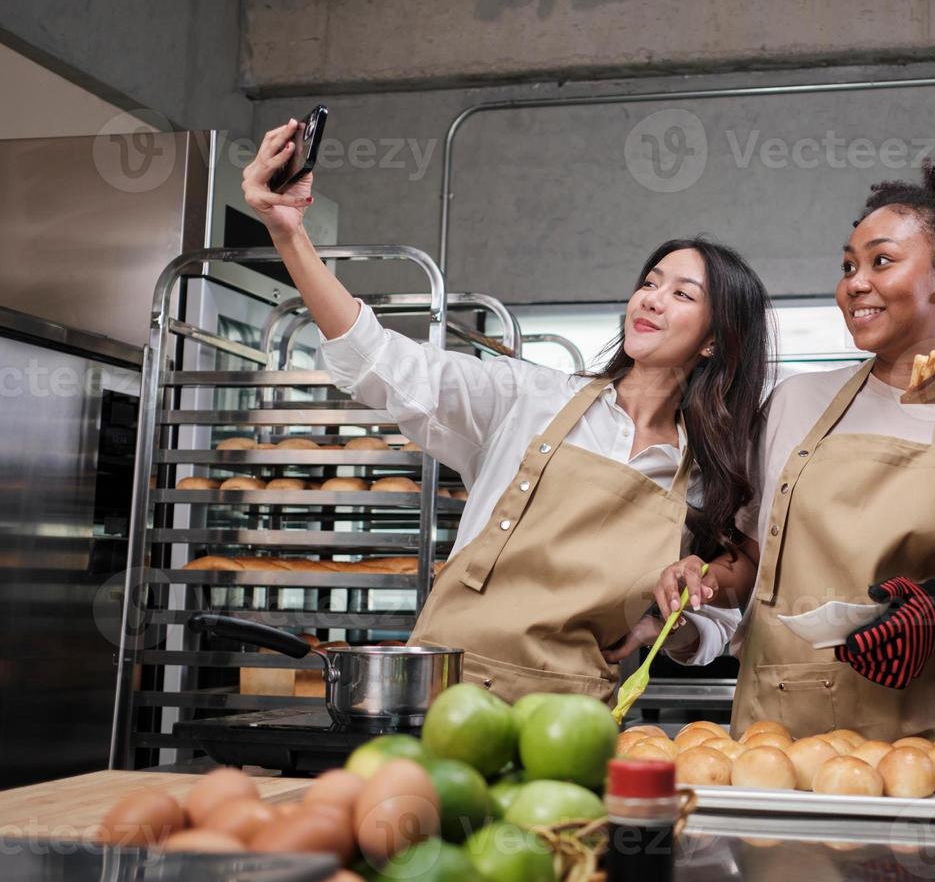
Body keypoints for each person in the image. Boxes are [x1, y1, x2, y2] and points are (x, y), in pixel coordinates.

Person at [242, 118, 772, 704]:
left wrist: (659, 625)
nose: (651, 297)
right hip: (451, 696)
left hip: (570, 718)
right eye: (651, 281)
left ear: (714, 341)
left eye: (682, 294)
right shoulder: (530, 397)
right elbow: (383, 362)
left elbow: (723, 615)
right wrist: (289, 234)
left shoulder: (707, 473)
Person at [609, 151, 935, 741]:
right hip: (775, 730)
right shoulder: (796, 402)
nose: (856, 284)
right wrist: (703, 579)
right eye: (848, 267)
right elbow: (749, 559)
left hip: (920, 745)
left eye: (882, 262)